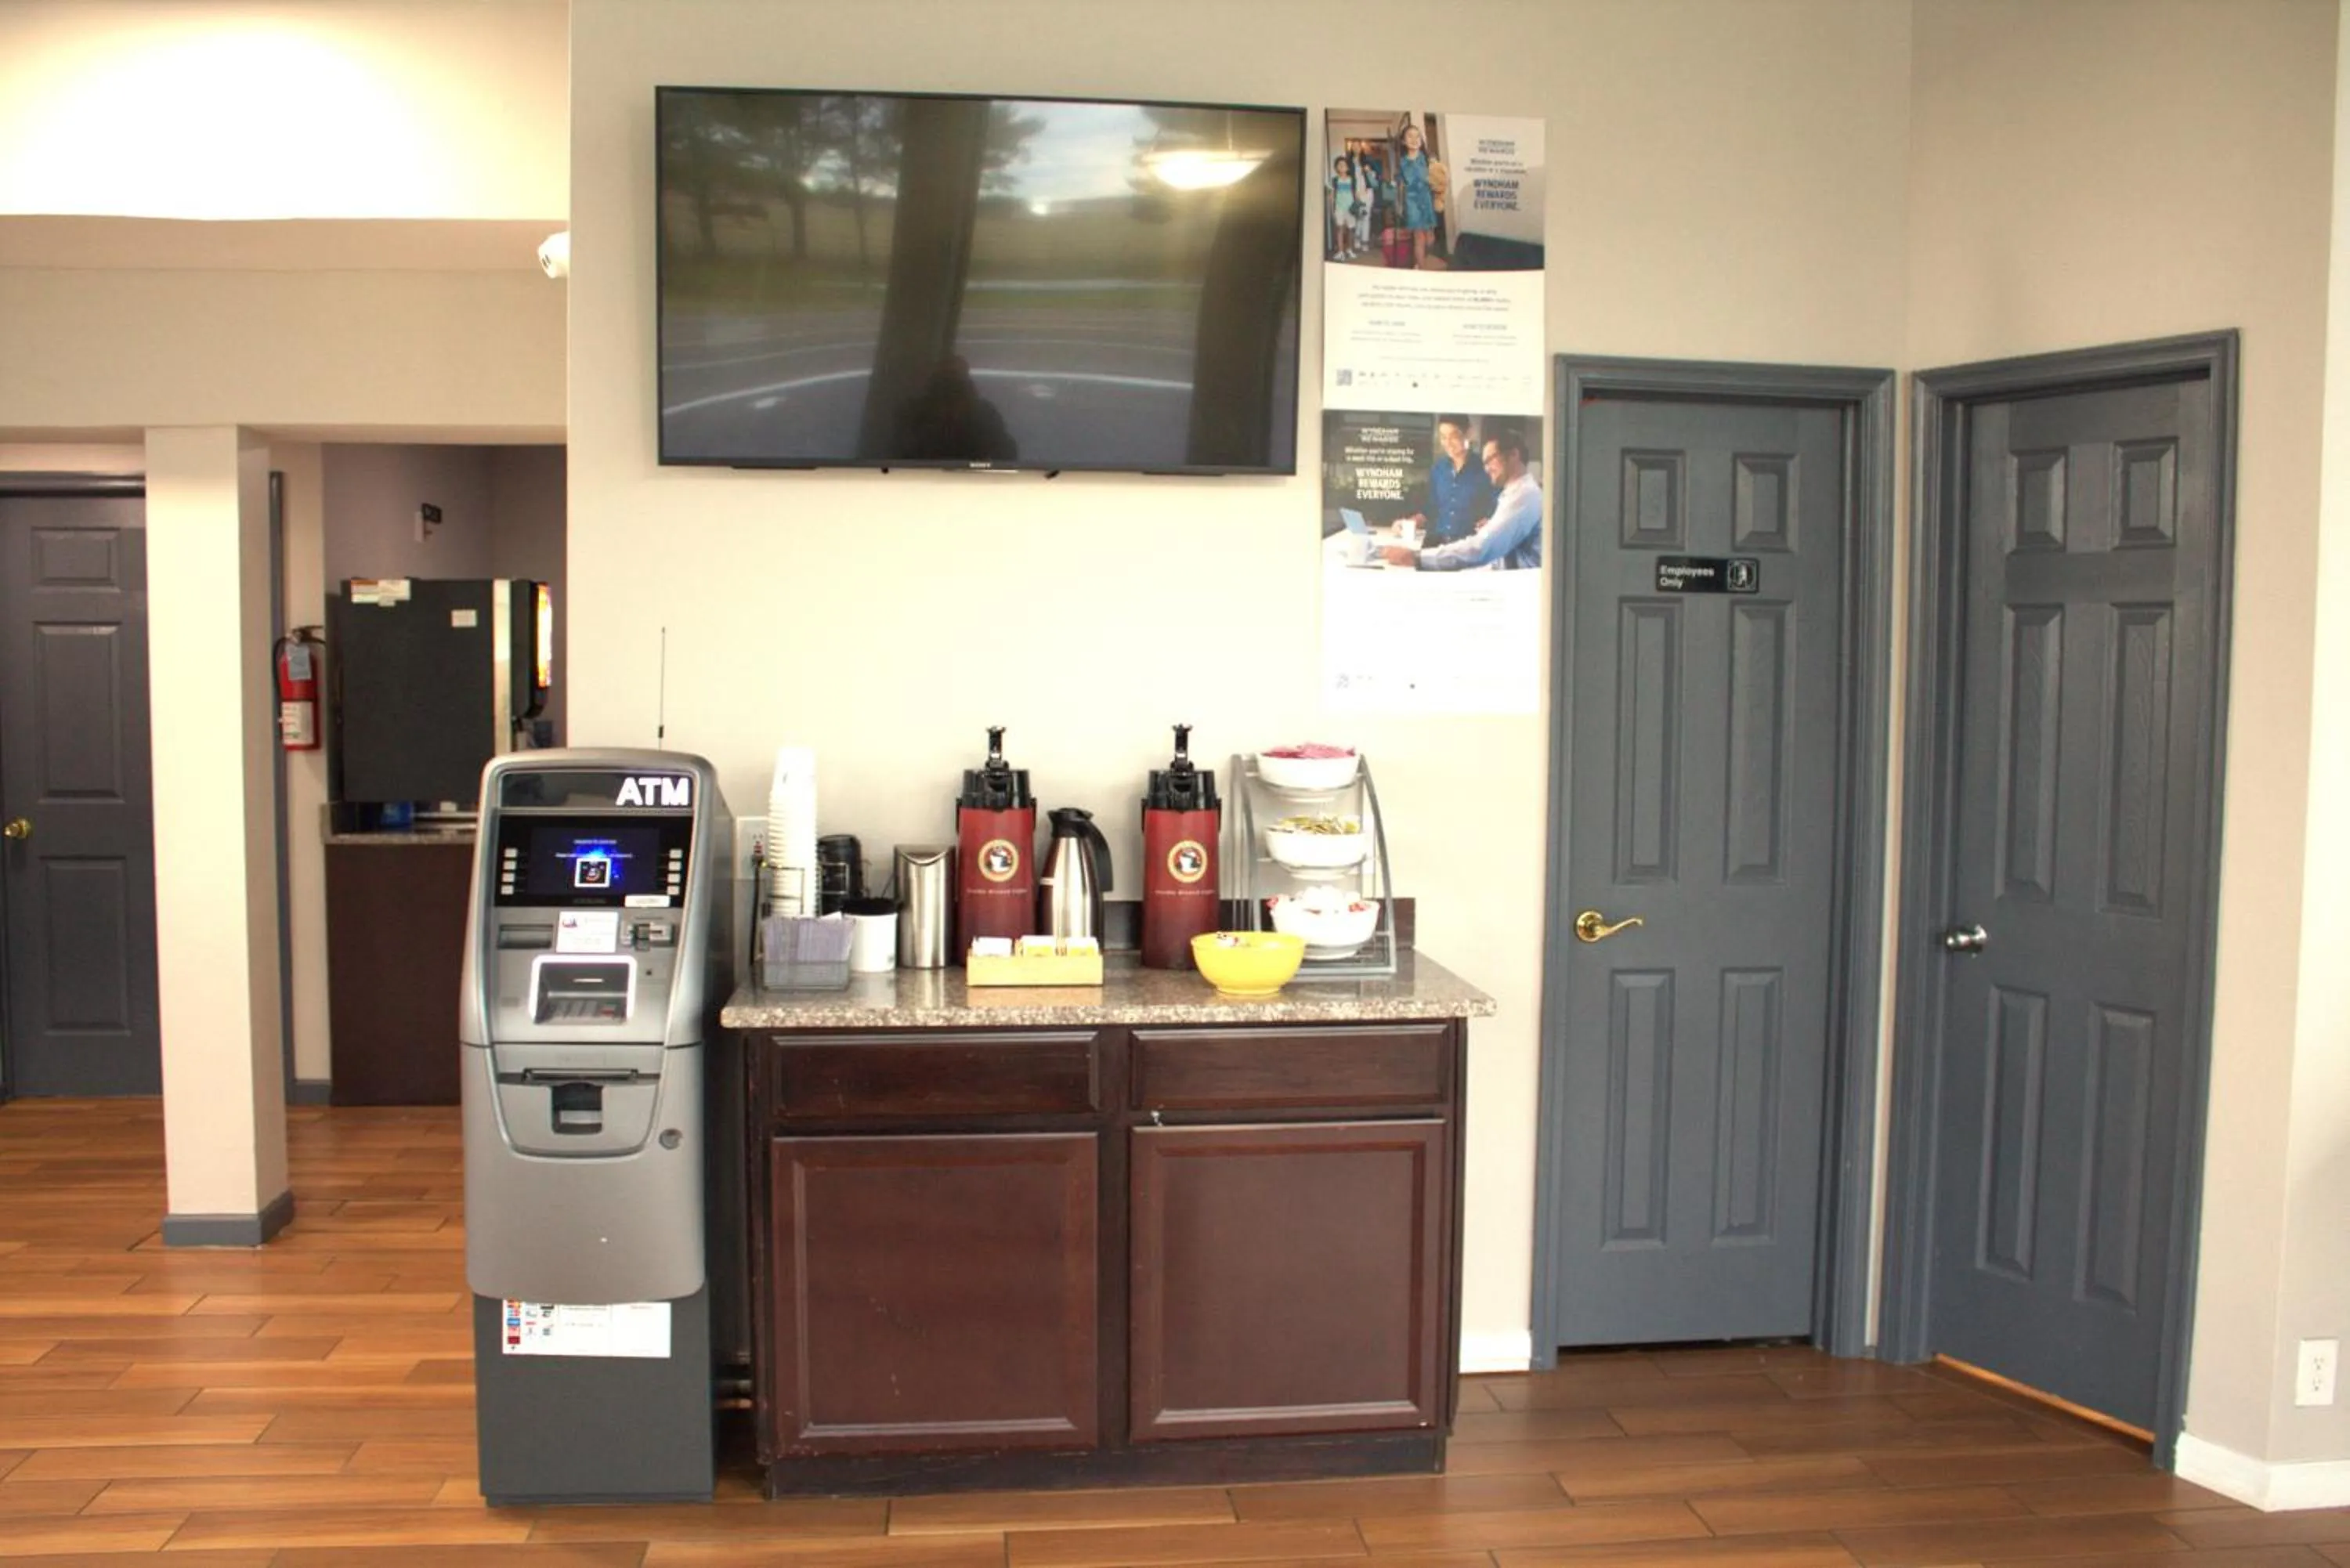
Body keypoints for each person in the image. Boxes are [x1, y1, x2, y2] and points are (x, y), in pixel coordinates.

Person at [1381, 428, 1541, 571]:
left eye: (1490, 460)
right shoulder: (1514, 493)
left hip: (1518, 585)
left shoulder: (1524, 495)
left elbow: (1481, 549)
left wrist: (1416, 558)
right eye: (1443, 437)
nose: (1486, 469)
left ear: (1513, 455)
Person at [893, 355, 1017, 463]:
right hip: (918, 476)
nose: (950, 383)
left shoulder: (983, 411)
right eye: (945, 376)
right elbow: (898, 452)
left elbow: (1006, 454)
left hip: (974, 477)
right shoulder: (912, 410)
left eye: (956, 377)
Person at [1397, 415, 1495, 549]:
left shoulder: (1486, 469)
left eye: (1454, 436)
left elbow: (1500, 507)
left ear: (1469, 433)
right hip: (1435, 545)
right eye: (1443, 437)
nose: (1448, 443)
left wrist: (1490, 521)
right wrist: (1409, 523)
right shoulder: (1438, 469)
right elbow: (1430, 509)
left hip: (1468, 548)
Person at [1394, 121, 1445, 269]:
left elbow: (1438, 180)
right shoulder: (1402, 163)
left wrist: (1439, 196)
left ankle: (1419, 260)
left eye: (1418, 136)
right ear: (1404, 141)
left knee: (1430, 239)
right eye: (1410, 136)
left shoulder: (1428, 159)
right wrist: (1399, 205)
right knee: (1418, 238)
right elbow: (1400, 186)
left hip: (1427, 200)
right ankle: (1421, 268)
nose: (1414, 139)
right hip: (1412, 203)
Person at [1329, 154, 1358, 260]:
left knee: (1351, 229)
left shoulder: (1352, 180)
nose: (1342, 167)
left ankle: (1349, 250)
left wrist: (1357, 206)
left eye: (1344, 165)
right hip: (1339, 208)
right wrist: (1332, 208)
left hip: (1350, 208)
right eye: (1340, 165)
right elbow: (1332, 195)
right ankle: (1340, 252)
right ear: (1336, 168)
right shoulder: (1334, 180)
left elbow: (1356, 194)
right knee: (1340, 229)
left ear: (1348, 168)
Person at [1353, 150, 1382, 256]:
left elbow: (1375, 185)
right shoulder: (1359, 172)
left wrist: (1369, 173)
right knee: (1359, 218)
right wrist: (1357, 195)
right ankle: (1357, 240)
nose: (1366, 166)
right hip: (1360, 197)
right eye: (1365, 164)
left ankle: (1365, 242)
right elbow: (1356, 185)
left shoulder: (1372, 173)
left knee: (1367, 219)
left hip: (1369, 197)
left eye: (1368, 165)